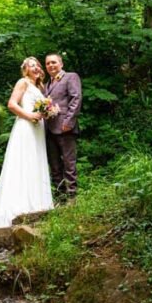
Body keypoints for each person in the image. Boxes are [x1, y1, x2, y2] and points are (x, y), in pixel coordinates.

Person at [0, 57, 54, 229]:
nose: (36, 68)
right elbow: (12, 104)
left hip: (38, 129)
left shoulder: (40, 87)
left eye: (37, 65)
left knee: (35, 163)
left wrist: (46, 113)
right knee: (23, 162)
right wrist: (30, 116)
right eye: (31, 66)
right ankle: (18, 206)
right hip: (26, 127)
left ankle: (37, 204)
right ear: (25, 70)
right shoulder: (23, 82)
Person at [43, 53, 82, 202]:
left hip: (65, 128)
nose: (51, 65)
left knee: (68, 163)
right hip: (49, 129)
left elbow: (76, 99)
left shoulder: (70, 77)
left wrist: (68, 121)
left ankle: (72, 197)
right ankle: (60, 197)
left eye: (53, 62)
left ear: (61, 64)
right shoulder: (47, 84)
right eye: (47, 64)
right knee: (55, 165)